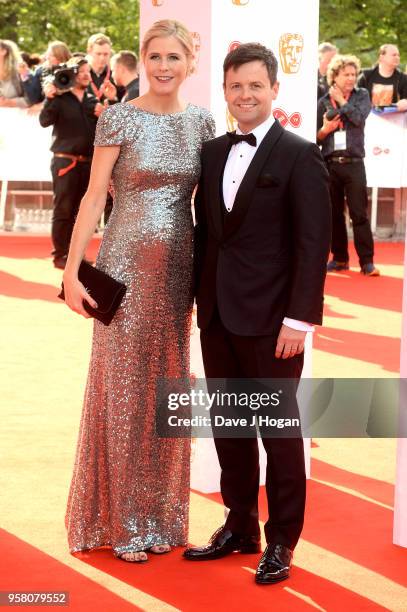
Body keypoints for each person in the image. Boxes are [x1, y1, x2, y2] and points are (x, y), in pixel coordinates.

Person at [62, 19, 215, 563]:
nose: (165, 67)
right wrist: (73, 270)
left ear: (191, 62)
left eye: (175, 57)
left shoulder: (202, 122)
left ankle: (159, 517)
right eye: (156, 57)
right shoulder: (120, 118)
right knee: (122, 391)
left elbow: (212, 206)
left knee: (165, 392)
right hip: (124, 266)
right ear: (143, 61)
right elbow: (92, 195)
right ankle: (123, 520)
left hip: (178, 272)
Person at [183, 43, 331, 585]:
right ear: (224, 91)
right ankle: (240, 523)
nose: (245, 95)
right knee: (230, 427)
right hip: (218, 314)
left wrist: (300, 319)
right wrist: (197, 301)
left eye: (255, 86)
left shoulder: (298, 153)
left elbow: (313, 243)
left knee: (279, 431)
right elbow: (207, 236)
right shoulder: (213, 152)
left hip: (273, 322)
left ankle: (282, 541)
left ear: (274, 91)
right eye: (235, 86)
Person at [317, 54, 379, 276]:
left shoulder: (361, 96)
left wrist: (342, 103)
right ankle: (340, 258)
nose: (352, 78)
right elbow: (315, 138)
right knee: (333, 214)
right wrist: (325, 130)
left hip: (354, 163)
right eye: (347, 74)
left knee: (359, 213)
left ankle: (367, 262)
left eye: (354, 74)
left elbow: (359, 118)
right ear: (335, 75)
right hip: (330, 164)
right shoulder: (323, 101)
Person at [39, 58, 101, 269]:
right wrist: (49, 97)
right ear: (72, 74)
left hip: (88, 163)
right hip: (65, 162)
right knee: (63, 210)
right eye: (81, 71)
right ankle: (60, 255)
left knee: (81, 213)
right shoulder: (60, 98)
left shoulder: (93, 101)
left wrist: (104, 115)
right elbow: (44, 121)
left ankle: (76, 256)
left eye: (88, 71)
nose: (85, 74)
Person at [19, 41, 71, 106]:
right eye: (47, 54)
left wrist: (42, 105)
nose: (47, 57)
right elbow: (34, 99)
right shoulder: (40, 71)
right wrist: (25, 75)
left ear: (60, 57)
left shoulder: (71, 71)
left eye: (51, 55)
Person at [358, 44, 407, 110]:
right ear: (382, 57)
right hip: (368, 117)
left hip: (393, 118)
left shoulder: (403, 79)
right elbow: (356, 99)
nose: (397, 57)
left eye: (398, 55)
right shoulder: (366, 76)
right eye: (394, 55)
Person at [0, 39, 27, 108]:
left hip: (19, 113)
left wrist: (10, 102)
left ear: (3, 52)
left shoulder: (20, 70)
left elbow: (32, 98)